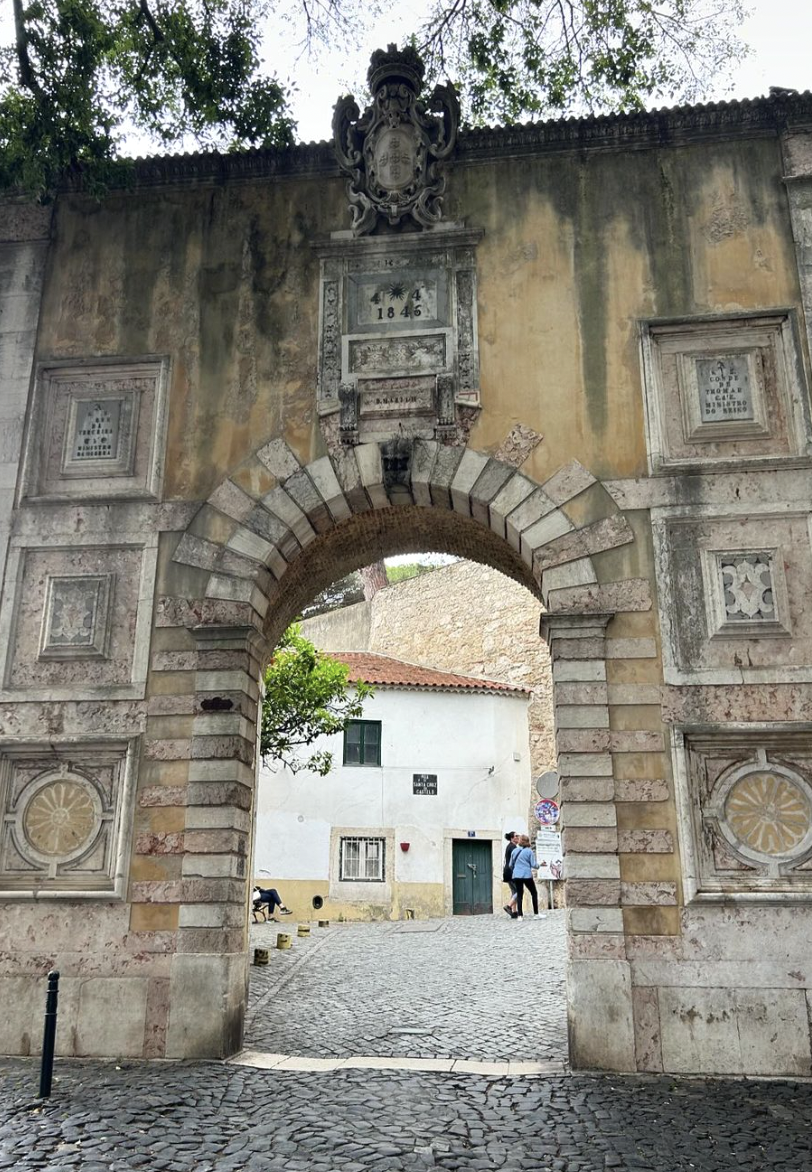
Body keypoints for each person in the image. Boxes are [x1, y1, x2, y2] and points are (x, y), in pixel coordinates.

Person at [509, 835, 546, 920]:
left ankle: (520, 916)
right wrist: (540, 864)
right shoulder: (529, 851)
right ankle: (536, 914)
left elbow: (510, 864)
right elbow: (533, 865)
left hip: (517, 875)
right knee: (533, 893)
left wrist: (517, 868)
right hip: (526, 875)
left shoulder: (514, 851)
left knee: (519, 894)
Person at [502, 831, 520, 918]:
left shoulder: (510, 846)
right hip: (512, 872)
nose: (518, 837)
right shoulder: (513, 847)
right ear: (512, 838)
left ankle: (514, 911)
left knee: (514, 891)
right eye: (516, 836)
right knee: (520, 891)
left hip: (507, 871)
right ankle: (509, 906)